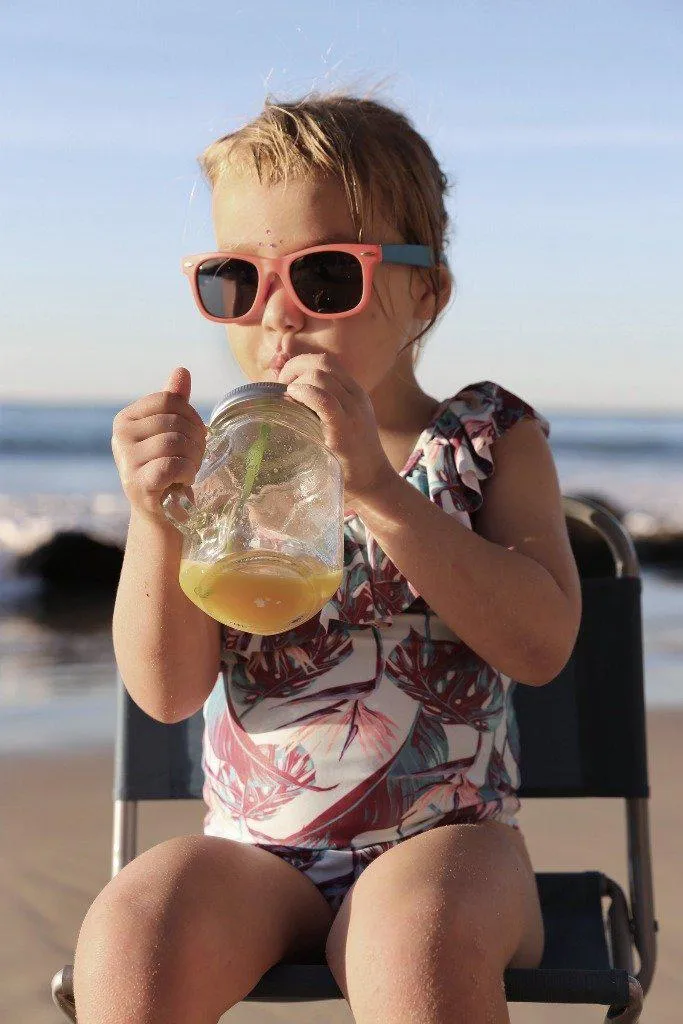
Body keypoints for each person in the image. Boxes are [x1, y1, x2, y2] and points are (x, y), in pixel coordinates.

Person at [74, 93, 582, 1024]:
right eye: (238, 279)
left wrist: (384, 496)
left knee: (413, 942)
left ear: (424, 290)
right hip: (254, 854)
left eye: (324, 277)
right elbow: (167, 692)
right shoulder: (235, 461)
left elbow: (541, 643)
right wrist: (155, 521)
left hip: (451, 845)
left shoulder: (485, 438)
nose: (278, 317)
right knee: (131, 939)